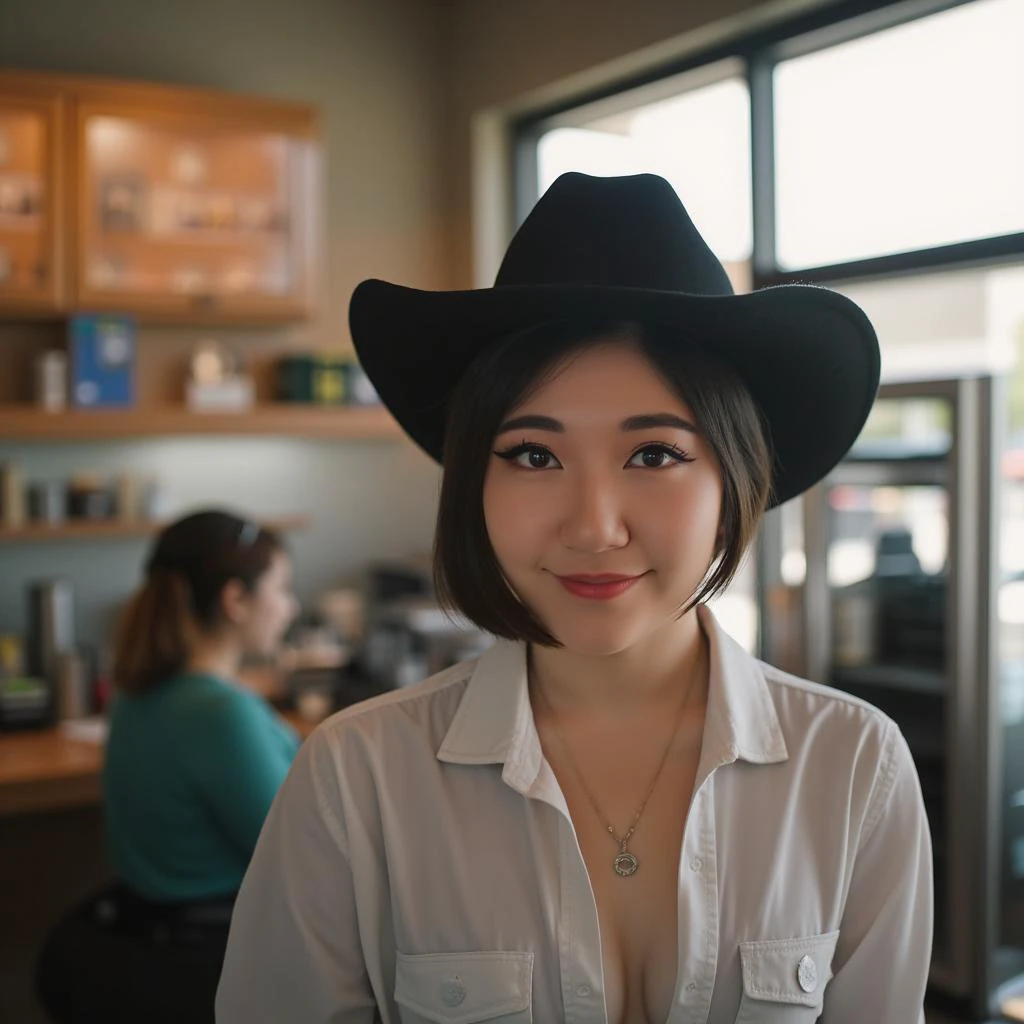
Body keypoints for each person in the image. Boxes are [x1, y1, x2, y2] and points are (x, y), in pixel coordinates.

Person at [216, 173, 933, 1023]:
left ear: (733, 479)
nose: (594, 528)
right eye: (532, 454)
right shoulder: (357, 779)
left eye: (656, 455)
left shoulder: (852, 768)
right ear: (473, 482)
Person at [36, 509, 300, 1024]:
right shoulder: (221, 714)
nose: (290, 608)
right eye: (282, 588)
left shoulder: (138, 692)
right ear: (235, 600)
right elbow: (299, 859)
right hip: (207, 961)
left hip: (142, 938)